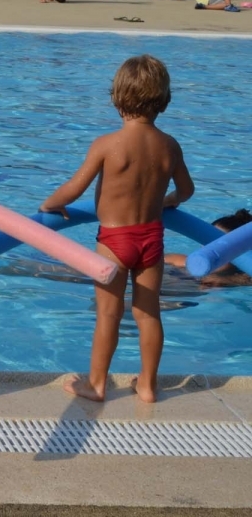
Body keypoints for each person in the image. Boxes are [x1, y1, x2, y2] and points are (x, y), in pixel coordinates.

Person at [41, 55, 194, 404]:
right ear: (164, 101)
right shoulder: (169, 146)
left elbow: (74, 189)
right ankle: (148, 385)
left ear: (116, 98)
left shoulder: (107, 145)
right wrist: (168, 199)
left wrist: (49, 205)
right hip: (152, 239)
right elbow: (187, 191)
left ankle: (96, 384)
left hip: (114, 240)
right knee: (148, 313)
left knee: (109, 314)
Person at [165, 210, 252, 288]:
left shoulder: (240, 280)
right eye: (207, 240)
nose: (209, 249)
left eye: (221, 246)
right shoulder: (180, 262)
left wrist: (229, 281)